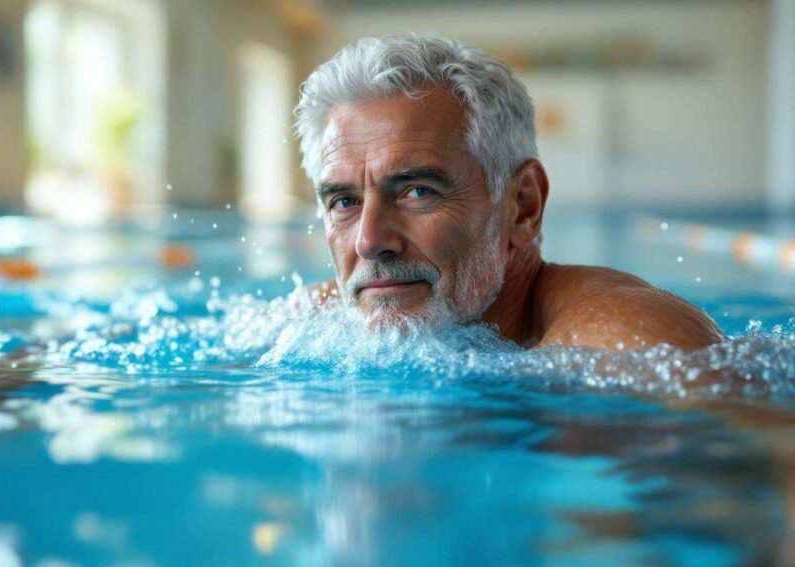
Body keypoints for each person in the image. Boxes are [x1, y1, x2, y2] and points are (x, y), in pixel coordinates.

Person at [294, 33, 723, 351]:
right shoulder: (311, 320)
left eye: (417, 191)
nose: (370, 242)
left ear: (523, 207)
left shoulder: (625, 338)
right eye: (344, 202)